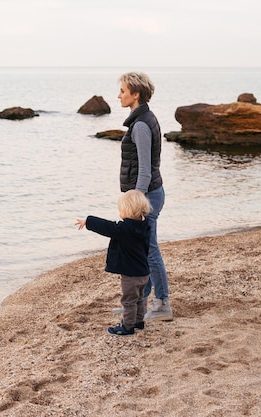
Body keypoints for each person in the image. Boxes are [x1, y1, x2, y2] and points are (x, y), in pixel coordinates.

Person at [116, 72, 173, 321]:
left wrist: (136, 200)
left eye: (122, 90)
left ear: (135, 94)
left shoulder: (140, 125)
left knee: (149, 251)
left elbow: (145, 168)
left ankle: (162, 305)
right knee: (143, 249)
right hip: (150, 193)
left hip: (147, 195)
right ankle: (141, 301)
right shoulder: (143, 119)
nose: (119, 95)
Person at [76, 190, 151, 336]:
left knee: (129, 301)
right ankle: (139, 321)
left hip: (131, 275)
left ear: (128, 211)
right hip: (144, 272)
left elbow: (107, 227)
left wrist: (88, 221)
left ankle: (128, 327)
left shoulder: (124, 229)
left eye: (121, 210)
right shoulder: (145, 225)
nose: (119, 213)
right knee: (140, 298)